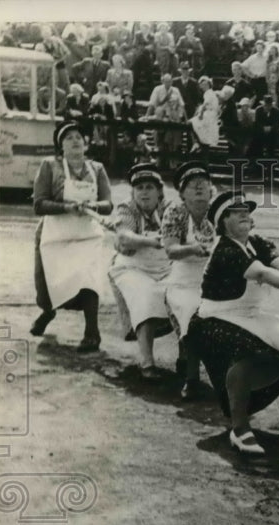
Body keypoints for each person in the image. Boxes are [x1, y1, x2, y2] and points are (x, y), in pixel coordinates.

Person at [189, 191, 279, 454]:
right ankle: (239, 428)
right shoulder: (225, 249)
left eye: (247, 212)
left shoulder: (257, 242)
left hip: (249, 315)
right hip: (212, 319)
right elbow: (262, 272)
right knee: (246, 352)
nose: (245, 216)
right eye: (237, 213)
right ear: (223, 221)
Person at [30, 121, 113, 352]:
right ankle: (48, 312)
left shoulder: (97, 168)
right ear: (61, 146)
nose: (76, 140)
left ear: (86, 144)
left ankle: (92, 333)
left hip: (87, 235)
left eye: (79, 136)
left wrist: (93, 205)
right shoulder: (49, 166)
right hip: (54, 235)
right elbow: (39, 204)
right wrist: (66, 208)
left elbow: (108, 204)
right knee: (48, 289)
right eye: (69, 138)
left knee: (89, 278)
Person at [108, 163, 173, 378]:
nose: (144, 192)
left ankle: (186, 360)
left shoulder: (170, 208)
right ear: (133, 192)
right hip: (131, 267)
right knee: (144, 297)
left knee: (185, 296)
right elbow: (124, 236)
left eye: (149, 187)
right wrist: (147, 240)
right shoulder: (126, 209)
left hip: (165, 267)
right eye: (139, 188)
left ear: (159, 192)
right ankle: (147, 363)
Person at [161, 161, 215, 399]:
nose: (199, 188)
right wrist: (194, 249)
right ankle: (192, 379)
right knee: (193, 314)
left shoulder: (220, 211)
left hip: (214, 279)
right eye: (192, 185)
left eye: (204, 183)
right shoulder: (175, 212)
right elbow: (171, 250)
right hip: (183, 281)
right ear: (182, 194)